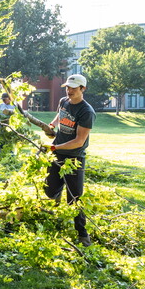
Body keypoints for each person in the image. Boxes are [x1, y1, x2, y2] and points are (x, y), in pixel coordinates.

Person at [43, 73, 96, 246]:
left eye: (73, 88)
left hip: (74, 158)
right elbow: (60, 116)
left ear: (83, 89)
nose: (69, 90)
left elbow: (79, 141)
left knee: (74, 198)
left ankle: (82, 234)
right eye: (67, 87)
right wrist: (51, 126)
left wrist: (54, 147)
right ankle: (56, 195)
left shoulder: (86, 111)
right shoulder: (63, 101)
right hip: (57, 153)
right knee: (49, 190)